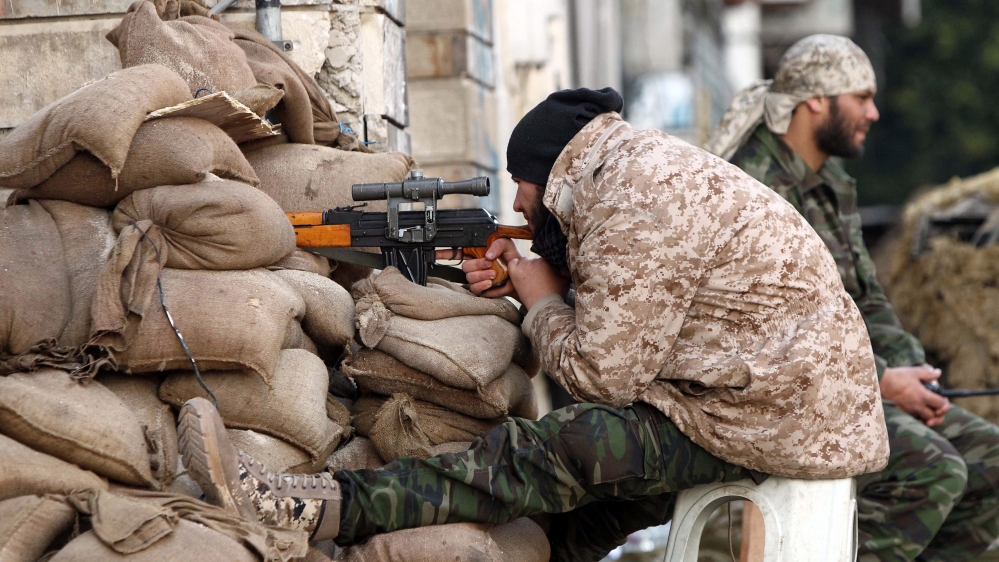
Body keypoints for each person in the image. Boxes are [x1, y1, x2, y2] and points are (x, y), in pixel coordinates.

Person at [179, 87, 889, 561]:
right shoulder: (634, 176)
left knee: (553, 452)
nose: (517, 202)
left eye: (520, 185)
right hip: (774, 407)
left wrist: (543, 298)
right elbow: (646, 305)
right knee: (591, 510)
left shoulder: (635, 201)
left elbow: (602, 377)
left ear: (551, 172)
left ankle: (310, 509)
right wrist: (533, 283)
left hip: (771, 419)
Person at [708, 34, 999, 562]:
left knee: (990, 458)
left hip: (853, 385)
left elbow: (867, 299)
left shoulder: (829, 181)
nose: (875, 112)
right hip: (780, 399)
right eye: (862, 97)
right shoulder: (753, 187)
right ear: (817, 99)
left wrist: (912, 373)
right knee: (934, 470)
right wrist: (885, 381)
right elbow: (773, 330)